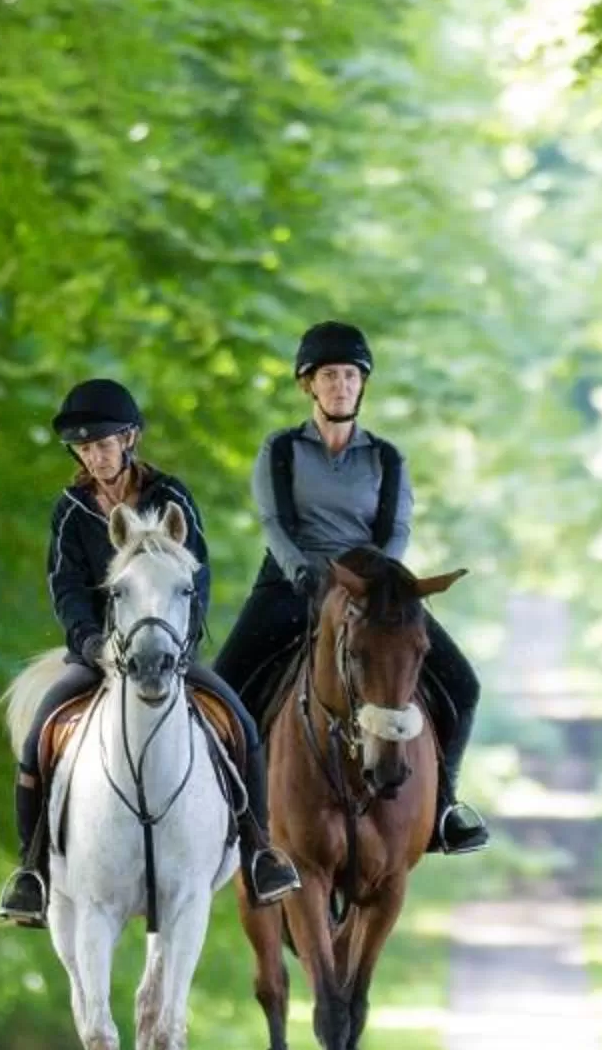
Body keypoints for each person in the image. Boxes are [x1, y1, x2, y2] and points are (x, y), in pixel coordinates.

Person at [0, 377, 301, 927]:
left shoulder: (171, 497)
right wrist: (89, 642)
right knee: (41, 735)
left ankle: (259, 851)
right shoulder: (71, 509)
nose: (95, 456)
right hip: (99, 654)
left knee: (240, 724)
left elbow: (196, 576)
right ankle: (32, 869)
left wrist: (179, 643)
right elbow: (66, 587)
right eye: (85, 449)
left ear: (129, 439)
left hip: (166, 652)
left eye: (103, 444)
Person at [210, 321, 491, 855]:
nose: (340, 385)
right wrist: (303, 572)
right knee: (224, 686)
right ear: (308, 385)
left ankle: (444, 807)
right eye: (329, 376)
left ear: (362, 385)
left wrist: (372, 584)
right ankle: (225, 805)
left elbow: (396, 530)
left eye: (350, 376)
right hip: (293, 583)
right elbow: (274, 521)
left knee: (463, 684)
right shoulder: (281, 449)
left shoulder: (386, 457)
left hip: (371, 592)